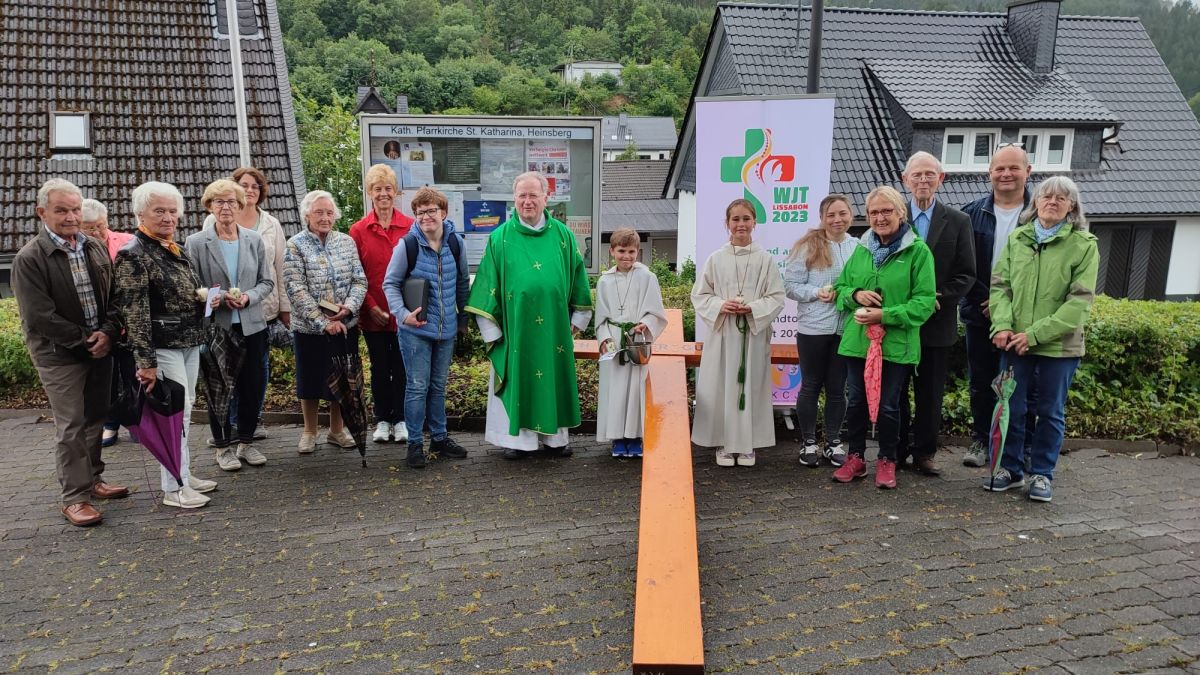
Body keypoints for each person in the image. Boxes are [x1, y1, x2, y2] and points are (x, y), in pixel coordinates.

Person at [12, 179, 128, 526]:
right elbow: (39, 316)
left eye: (75, 209)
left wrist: (108, 332)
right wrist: (86, 339)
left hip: (100, 347)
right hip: (59, 355)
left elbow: (115, 296)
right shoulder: (30, 258)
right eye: (61, 210)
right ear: (42, 212)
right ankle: (74, 498)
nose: (71, 217)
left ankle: (93, 479)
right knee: (71, 425)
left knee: (96, 416)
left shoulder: (93, 247)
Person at [464, 172, 592, 460]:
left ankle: (555, 439)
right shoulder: (500, 238)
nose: (527, 201)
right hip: (515, 330)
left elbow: (578, 277)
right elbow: (486, 286)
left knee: (551, 378)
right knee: (518, 377)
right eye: (522, 195)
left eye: (533, 195)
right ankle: (517, 441)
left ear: (546, 197)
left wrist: (578, 319)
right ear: (514, 199)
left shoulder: (563, 235)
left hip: (554, 329)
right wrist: (492, 332)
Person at [986, 177, 1098, 502]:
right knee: (1011, 406)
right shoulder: (1018, 238)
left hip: (1059, 346)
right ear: (1035, 202)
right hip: (1014, 342)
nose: (1052, 201)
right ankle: (1010, 469)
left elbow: (1079, 302)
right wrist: (1002, 326)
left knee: (1050, 412)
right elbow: (1000, 286)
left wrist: (1034, 335)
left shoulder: (1084, 245)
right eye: (1046, 196)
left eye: (1061, 198)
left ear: (1071, 207)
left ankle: (1042, 474)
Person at [113, 181, 220, 509]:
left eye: (173, 211)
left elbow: (186, 290)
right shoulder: (133, 254)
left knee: (184, 410)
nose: (168, 217)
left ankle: (183, 474)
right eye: (159, 210)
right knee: (173, 416)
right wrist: (146, 362)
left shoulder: (173, 247)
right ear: (140, 214)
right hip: (162, 348)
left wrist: (205, 299)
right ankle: (174, 488)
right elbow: (135, 313)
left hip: (188, 341)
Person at [832, 186, 936, 489]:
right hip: (858, 343)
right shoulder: (861, 250)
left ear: (900, 213)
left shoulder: (918, 252)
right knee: (856, 403)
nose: (880, 217)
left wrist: (884, 315)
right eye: (874, 212)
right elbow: (839, 289)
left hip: (896, 345)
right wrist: (855, 294)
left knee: (889, 405)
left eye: (886, 211)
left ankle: (887, 460)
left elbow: (924, 303)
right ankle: (856, 458)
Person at [186, 179, 274, 471]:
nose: (226, 207)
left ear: (240, 206)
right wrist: (221, 296)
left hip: (252, 325)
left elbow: (266, 281)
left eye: (232, 202)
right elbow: (192, 286)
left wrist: (248, 297)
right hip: (218, 327)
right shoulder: (196, 242)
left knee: (252, 386)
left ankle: (246, 443)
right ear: (209, 206)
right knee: (219, 389)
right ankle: (222, 448)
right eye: (219, 201)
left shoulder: (253, 239)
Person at [897, 152, 976, 476]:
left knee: (930, 394)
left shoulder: (959, 221)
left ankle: (924, 453)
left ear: (941, 179)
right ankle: (896, 450)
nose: (923, 180)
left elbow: (967, 273)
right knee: (896, 392)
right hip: (898, 323)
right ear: (905, 180)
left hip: (936, 322)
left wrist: (935, 297)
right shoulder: (892, 216)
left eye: (930, 174)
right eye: (917, 175)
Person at [692, 199, 786, 467]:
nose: (741, 224)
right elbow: (700, 295)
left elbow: (776, 296)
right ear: (727, 223)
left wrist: (752, 308)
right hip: (723, 334)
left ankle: (746, 445)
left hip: (752, 336)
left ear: (755, 222)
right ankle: (723, 442)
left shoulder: (765, 259)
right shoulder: (716, 258)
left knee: (749, 386)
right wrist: (721, 305)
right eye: (735, 219)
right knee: (722, 387)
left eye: (746, 219)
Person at [201, 167, 292, 443]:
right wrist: (215, 298)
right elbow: (202, 271)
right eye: (244, 185)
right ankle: (227, 427)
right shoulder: (209, 224)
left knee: (256, 371)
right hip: (222, 315)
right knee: (223, 372)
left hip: (261, 310)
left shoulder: (270, 224)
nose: (250, 190)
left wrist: (285, 307)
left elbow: (278, 268)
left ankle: (251, 423)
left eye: (255, 186)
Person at [381, 187, 470, 468]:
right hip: (415, 331)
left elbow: (462, 283)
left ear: (443, 212)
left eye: (431, 211)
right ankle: (415, 444)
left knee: (438, 387)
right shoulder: (407, 245)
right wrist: (402, 315)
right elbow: (390, 284)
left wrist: (463, 321)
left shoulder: (455, 243)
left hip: (446, 330)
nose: (426, 216)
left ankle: (440, 439)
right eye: (420, 212)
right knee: (417, 387)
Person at [960, 144, 1036, 468]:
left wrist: (1007, 305)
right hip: (980, 313)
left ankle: (1023, 447)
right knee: (981, 383)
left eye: (1013, 168)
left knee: (1024, 385)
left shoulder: (1040, 215)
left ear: (1027, 172)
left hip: (1025, 317)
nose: (1006, 174)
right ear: (989, 172)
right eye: (999, 168)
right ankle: (981, 439)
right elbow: (963, 266)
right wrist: (988, 301)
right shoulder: (970, 213)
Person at [283, 190, 368, 454]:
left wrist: (349, 307)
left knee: (341, 381)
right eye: (319, 212)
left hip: (344, 326)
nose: (325, 217)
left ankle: (336, 430)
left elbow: (360, 280)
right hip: (309, 329)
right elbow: (295, 287)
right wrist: (323, 322)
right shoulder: (295, 245)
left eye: (329, 213)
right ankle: (309, 432)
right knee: (310, 381)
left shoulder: (346, 242)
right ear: (307, 215)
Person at [783, 194, 858, 468]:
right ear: (822, 218)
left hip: (846, 329)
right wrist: (816, 292)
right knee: (811, 385)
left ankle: (834, 442)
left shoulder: (859, 247)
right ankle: (808, 442)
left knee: (838, 389)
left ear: (851, 215)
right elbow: (790, 286)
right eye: (831, 215)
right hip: (813, 329)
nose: (837, 219)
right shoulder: (807, 246)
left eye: (842, 213)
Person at [350, 164, 413, 444]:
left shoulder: (410, 226)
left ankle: (401, 419)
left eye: (388, 188)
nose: (383, 194)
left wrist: (406, 308)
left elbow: (415, 270)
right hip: (372, 312)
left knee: (401, 368)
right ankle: (382, 420)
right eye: (378, 189)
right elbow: (355, 273)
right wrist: (370, 306)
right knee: (378, 367)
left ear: (396, 192)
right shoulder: (358, 230)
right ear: (369, 192)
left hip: (403, 313)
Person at [594, 228, 667, 458]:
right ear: (612, 251)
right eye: (621, 251)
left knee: (636, 389)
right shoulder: (605, 281)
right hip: (614, 339)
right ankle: (617, 438)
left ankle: (635, 437)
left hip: (636, 339)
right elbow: (600, 317)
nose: (626, 256)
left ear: (638, 252)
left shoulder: (647, 277)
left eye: (631, 252)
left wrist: (645, 323)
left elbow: (656, 312)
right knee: (614, 390)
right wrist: (604, 338)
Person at [80, 198, 135, 448]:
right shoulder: (77, 249)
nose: (96, 232)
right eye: (89, 227)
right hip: (100, 326)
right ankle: (110, 423)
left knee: (134, 375)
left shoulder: (127, 241)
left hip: (130, 323)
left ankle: (136, 422)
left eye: (100, 225)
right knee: (107, 379)